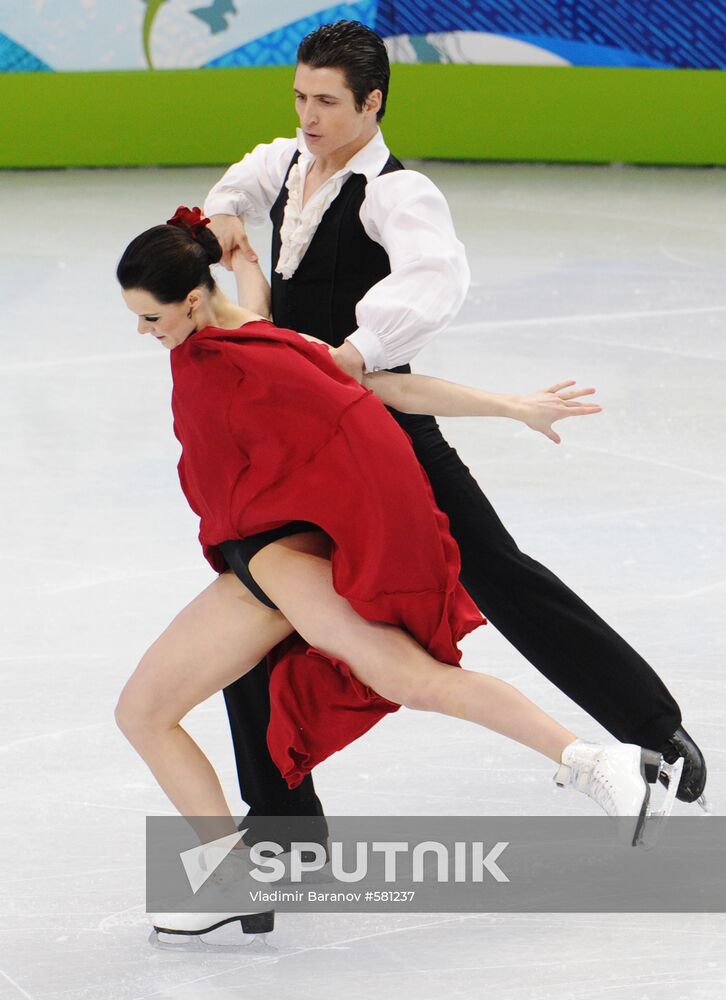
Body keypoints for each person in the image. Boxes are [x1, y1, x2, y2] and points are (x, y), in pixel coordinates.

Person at [201, 21, 707, 853]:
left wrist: (353, 353)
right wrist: (222, 216)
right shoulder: (290, 165)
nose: (309, 116)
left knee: (502, 574)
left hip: (386, 434)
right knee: (259, 605)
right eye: (300, 96)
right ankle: (285, 828)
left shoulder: (397, 195)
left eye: (327, 102)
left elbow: (436, 280)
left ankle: (650, 723)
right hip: (303, 454)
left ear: (373, 103)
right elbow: (244, 180)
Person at [116, 209, 682, 937]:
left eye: (149, 316)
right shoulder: (244, 336)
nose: (143, 331)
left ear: (191, 301)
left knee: (415, 680)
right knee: (143, 711)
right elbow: (250, 314)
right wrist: (246, 263)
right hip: (253, 568)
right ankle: (230, 879)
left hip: (281, 565)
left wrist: (512, 406)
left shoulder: (262, 356)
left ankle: (600, 768)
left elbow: (388, 392)